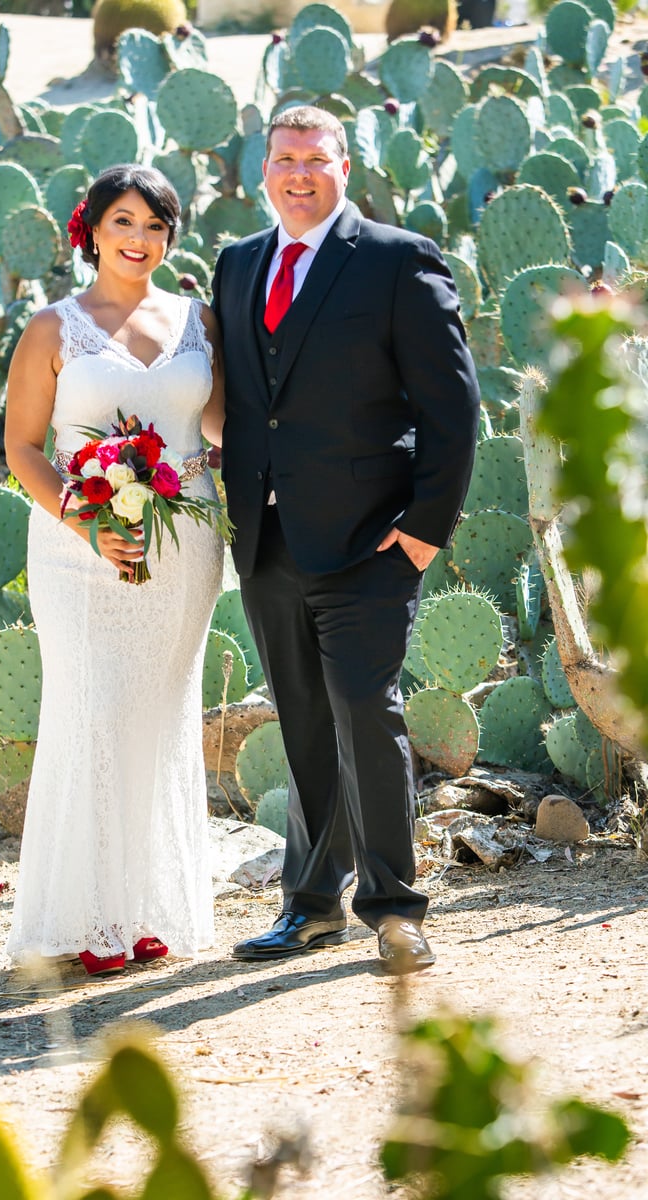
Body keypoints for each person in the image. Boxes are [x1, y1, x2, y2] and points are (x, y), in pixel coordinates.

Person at [211, 106, 480, 974]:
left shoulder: (400, 260)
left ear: (344, 166)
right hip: (268, 541)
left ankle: (395, 911)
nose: (299, 174)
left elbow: (453, 408)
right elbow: (245, 403)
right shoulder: (238, 264)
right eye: (284, 159)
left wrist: (424, 533)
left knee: (367, 712)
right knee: (301, 723)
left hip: (372, 542)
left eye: (315, 159)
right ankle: (311, 905)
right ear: (263, 170)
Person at [4, 164, 225, 974]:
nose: (139, 239)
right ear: (92, 231)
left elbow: (224, 428)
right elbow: (22, 447)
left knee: (161, 716)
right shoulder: (52, 328)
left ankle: (148, 907)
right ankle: (88, 919)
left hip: (185, 546)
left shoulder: (199, 320)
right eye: (123, 222)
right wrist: (86, 522)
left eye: (155, 225)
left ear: (171, 237)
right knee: (93, 712)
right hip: (78, 549)